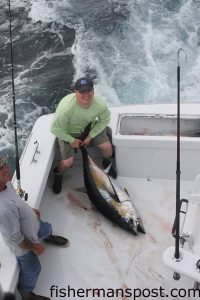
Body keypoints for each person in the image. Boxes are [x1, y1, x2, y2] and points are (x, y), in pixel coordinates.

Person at [0, 158, 70, 300]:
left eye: (5, 164)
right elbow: (15, 238)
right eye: (1, 168)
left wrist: (29, 210)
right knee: (33, 269)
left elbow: (15, 201)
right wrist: (34, 247)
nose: (7, 169)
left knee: (45, 229)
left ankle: (48, 236)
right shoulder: (2, 210)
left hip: (34, 224)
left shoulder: (5, 183)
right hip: (23, 244)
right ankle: (27, 294)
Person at [50, 77, 116, 194]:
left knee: (107, 148)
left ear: (93, 91)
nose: (86, 95)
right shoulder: (66, 108)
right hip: (68, 133)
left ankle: (107, 165)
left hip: (88, 128)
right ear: (75, 92)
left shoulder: (99, 104)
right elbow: (55, 129)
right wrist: (71, 140)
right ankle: (58, 175)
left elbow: (105, 120)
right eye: (82, 92)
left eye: (89, 90)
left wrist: (90, 136)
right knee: (67, 163)